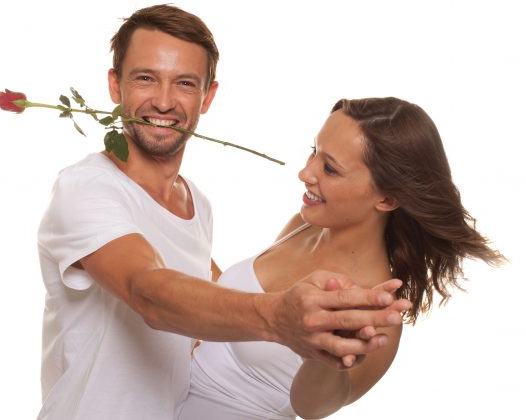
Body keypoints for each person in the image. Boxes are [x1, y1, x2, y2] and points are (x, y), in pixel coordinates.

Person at [36, 5, 408, 420]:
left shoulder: (196, 204)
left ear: (207, 96)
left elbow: (197, 297)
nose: (163, 101)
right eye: (145, 78)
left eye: (184, 83)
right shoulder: (85, 188)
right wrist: (277, 317)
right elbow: (149, 291)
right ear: (115, 85)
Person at [177, 96, 506, 419]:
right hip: (158, 399)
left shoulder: (372, 309)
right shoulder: (303, 227)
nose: (305, 173)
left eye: (330, 168)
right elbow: (243, 306)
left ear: (388, 198)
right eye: (314, 152)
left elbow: (313, 408)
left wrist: (327, 357)